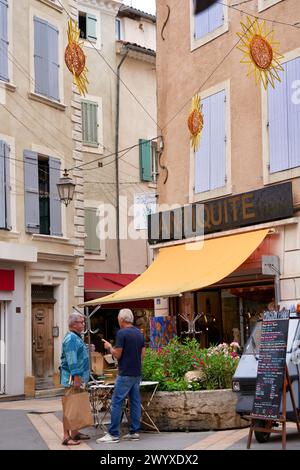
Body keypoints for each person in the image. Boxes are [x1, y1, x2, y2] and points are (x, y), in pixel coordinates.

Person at [96, 308, 145, 443]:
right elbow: (143, 354)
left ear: (122, 319)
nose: (118, 320)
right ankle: (134, 432)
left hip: (125, 373)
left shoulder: (122, 333)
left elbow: (117, 354)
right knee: (135, 402)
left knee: (117, 402)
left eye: (118, 318)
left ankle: (113, 434)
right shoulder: (139, 333)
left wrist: (109, 347)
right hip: (136, 372)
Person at [60, 312, 91, 446]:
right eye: (81, 322)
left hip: (76, 377)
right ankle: (66, 437)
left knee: (75, 405)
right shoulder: (72, 339)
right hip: (72, 378)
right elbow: (72, 360)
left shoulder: (75, 337)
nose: (83, 324)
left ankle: (75, 433)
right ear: (73, 324)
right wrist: (77, 376)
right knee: (70, 407)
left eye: (83, 322)